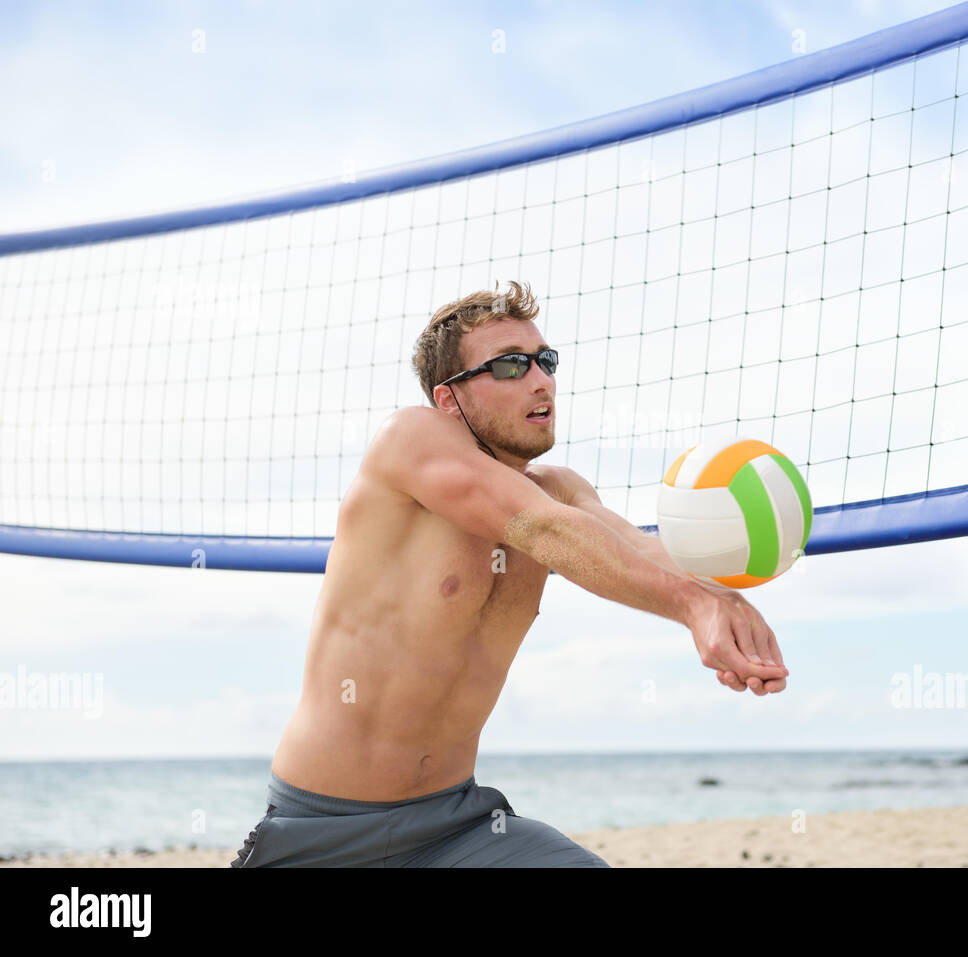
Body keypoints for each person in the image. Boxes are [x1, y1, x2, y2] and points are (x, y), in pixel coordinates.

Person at [232, 280, 788, 867]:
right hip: (324, 830)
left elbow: (634, 546)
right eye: (510, 366)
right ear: (450, 399)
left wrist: (724, 604)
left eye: (544, 360)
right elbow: (537, 527)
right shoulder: (410, 441)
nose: (540, 379)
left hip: (457, 827)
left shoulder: (561, 489)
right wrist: (691, 605)